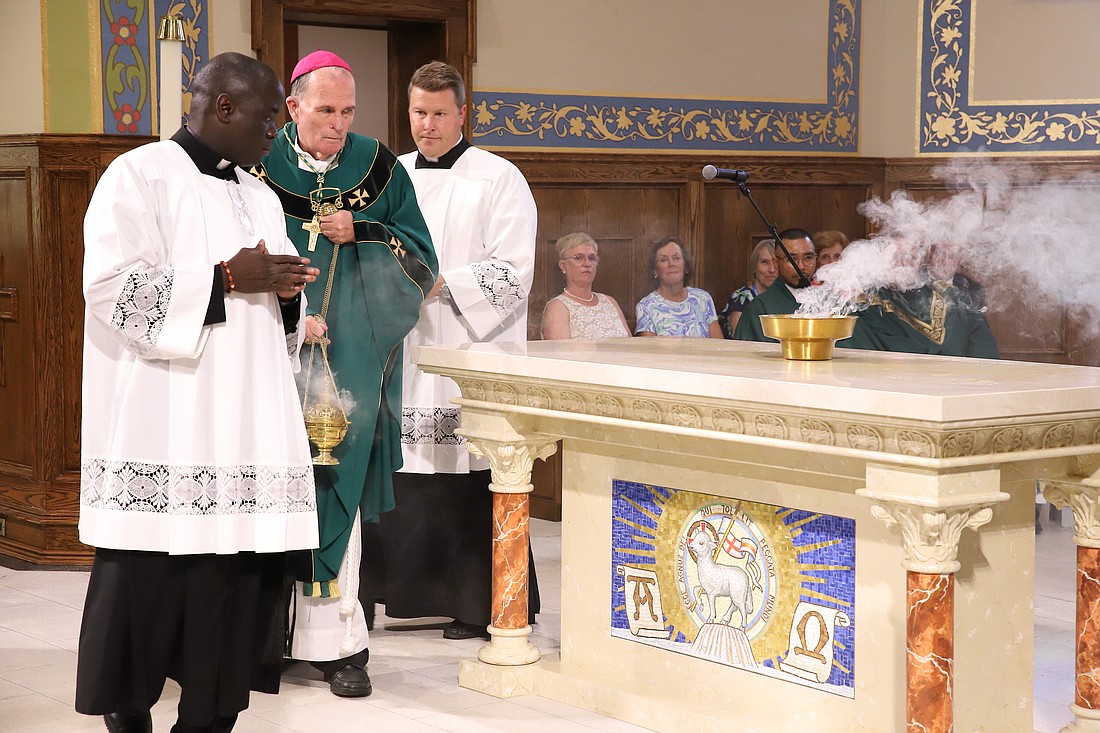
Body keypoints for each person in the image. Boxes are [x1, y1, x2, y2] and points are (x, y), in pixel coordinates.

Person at [76, 52, 321, 733]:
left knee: (231, 592)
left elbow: (273, 328)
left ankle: (211, 716)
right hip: (166, 424)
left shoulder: (263, 195)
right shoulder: (139, 176)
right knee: (144, 594)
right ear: (223, 107)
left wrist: (287, 295)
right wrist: (225, 278)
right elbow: (111, 291)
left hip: (241, 432)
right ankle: (130, 714)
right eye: (267, 118)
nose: (275, 132)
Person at [251, 50, 437, 697]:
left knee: (338, 482)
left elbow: (422, 260)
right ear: (294, 107)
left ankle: (339, 646)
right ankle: (264, 638)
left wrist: (360, 228)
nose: (339, 123)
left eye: (348, 111)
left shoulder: (379, 169)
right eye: (325, 109)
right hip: (267, 355)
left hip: (352, 353)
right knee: (271, 482)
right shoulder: (256, 166)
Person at [358, 60, 539, 641]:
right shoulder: (391, 177)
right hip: (402, 347)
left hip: (466, 347)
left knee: (465, 472)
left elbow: (513, 271)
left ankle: (472, 603)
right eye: (418, 113)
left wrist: (440, 284)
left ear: (463, 113)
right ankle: (393, 593)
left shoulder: (499, 178)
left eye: (439, 113)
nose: (427, 125)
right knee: (403, 470)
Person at [733, 228, 820, 342]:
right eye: (791, 259)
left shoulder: (827, 302)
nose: (801, 266)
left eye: (808, 258)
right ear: (776, 263)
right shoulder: (760, 309)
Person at [541, 232, 630, 339]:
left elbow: (631, 344)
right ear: (563, 265)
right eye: (578, 258)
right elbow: (561, 353)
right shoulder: (557, 308)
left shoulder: (609, 301)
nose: (587, 264)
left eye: (592, 258)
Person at [635, 237, 723, 338]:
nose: (671, 264)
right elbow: (650, 351)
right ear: (655, 271)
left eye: (676, 258)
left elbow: (719, 345)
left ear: (685, 266)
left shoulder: (703, 298)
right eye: (663, 260)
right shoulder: (645, 306)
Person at [717, 239, 778, 338]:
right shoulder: (741, 298)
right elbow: (742, 341)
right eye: (765, 262)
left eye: (776, 263)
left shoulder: (788, 297)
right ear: (754, 267)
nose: (772, 269)